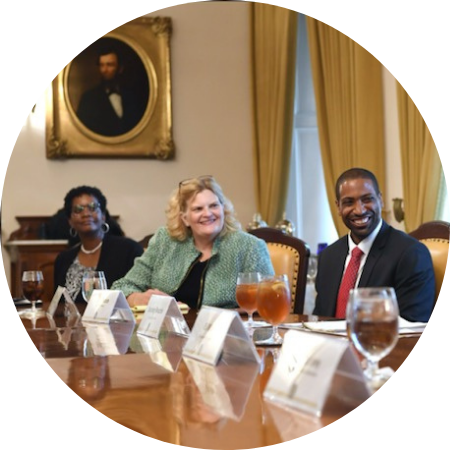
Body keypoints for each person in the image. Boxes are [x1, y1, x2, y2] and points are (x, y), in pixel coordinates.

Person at [112, 176, 274, 309]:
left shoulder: (250, 247)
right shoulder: (165, 241)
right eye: (198, 209)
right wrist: (137, 298)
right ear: (185, 218)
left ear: (223, 209)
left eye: (214, 206)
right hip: (167, 338)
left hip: (227, 337)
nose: (208, 214)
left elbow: (270, 303)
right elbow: (122, 286)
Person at [313, 168, 435, 322]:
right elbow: (320, 319)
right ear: (338, 207)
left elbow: (412, 325)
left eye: (367, 199)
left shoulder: (411, 254)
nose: (359, 210)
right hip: (330, 344)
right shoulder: (328, 256)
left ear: (380, 199)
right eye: (349, 202)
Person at [54, 186, 143, 304]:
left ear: (103, 216)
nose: (86, 213)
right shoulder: (63, 259)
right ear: (70, 221)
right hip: (68, 322)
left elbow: (138, 292)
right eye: (78, 209)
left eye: (92, 207)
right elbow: (58, 304)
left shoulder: (128, 250)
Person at [76, 46, 143, 136]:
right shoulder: (88, 99)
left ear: (120, 68)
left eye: (110, 65)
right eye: (102, 65)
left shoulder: (132, 96)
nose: (104, 70)